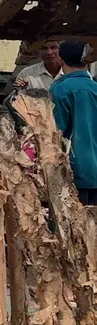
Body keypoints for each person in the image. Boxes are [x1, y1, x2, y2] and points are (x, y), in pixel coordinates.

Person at [50, 41, 97, 204]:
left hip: (75, 171)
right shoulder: (94, 87)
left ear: (60, 59)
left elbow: (55, 132)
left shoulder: (60, 89)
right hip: (93, 172)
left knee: (71, 226)